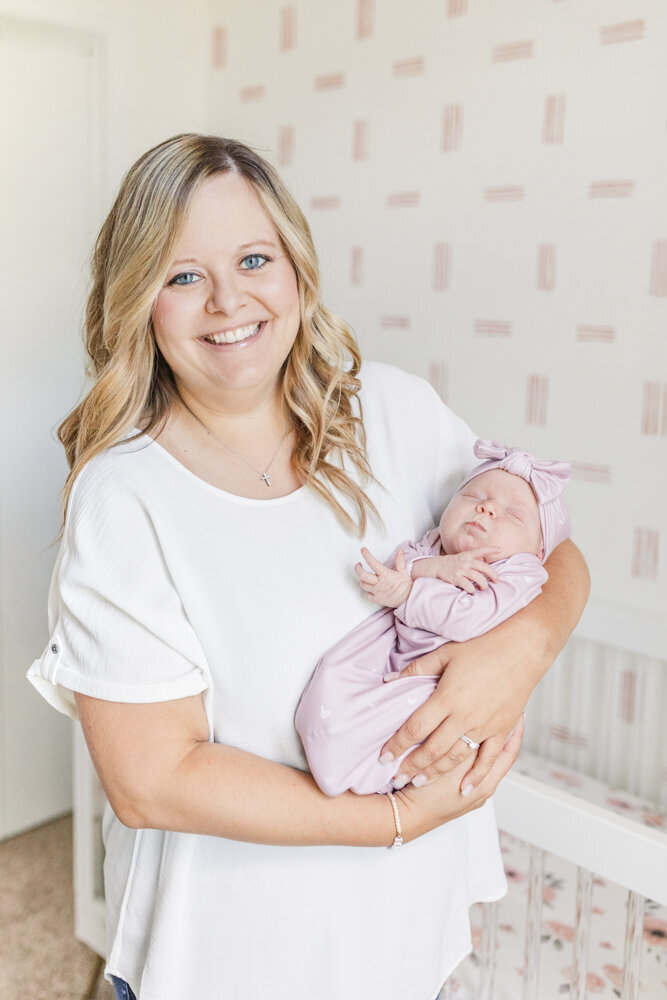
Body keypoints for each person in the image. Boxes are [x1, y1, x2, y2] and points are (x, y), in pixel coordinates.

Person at [26, 133, 589, 1000]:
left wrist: (521, 652)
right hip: (233, 955)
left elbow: (553, 549)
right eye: (182, 276)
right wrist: (396, 816)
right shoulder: (126, 494)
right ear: (139, 299)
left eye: (254, 258)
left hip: (404, 926)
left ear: (295, 268)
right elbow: (152, 780)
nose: (227, 301)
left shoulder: (393, 409)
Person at [296, 440, 570, 796]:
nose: (486, 509)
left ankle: (376, 780)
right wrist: (436, 567)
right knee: (334, 674)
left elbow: (469, 619)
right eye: (474, 497)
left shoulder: (520, 573)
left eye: (513, 514)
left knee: (406, 728)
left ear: (539, 550)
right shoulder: (438, 542)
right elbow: (404, 561)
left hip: (442, 680)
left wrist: (410, 592)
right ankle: (335, 751)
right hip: (396, 656)